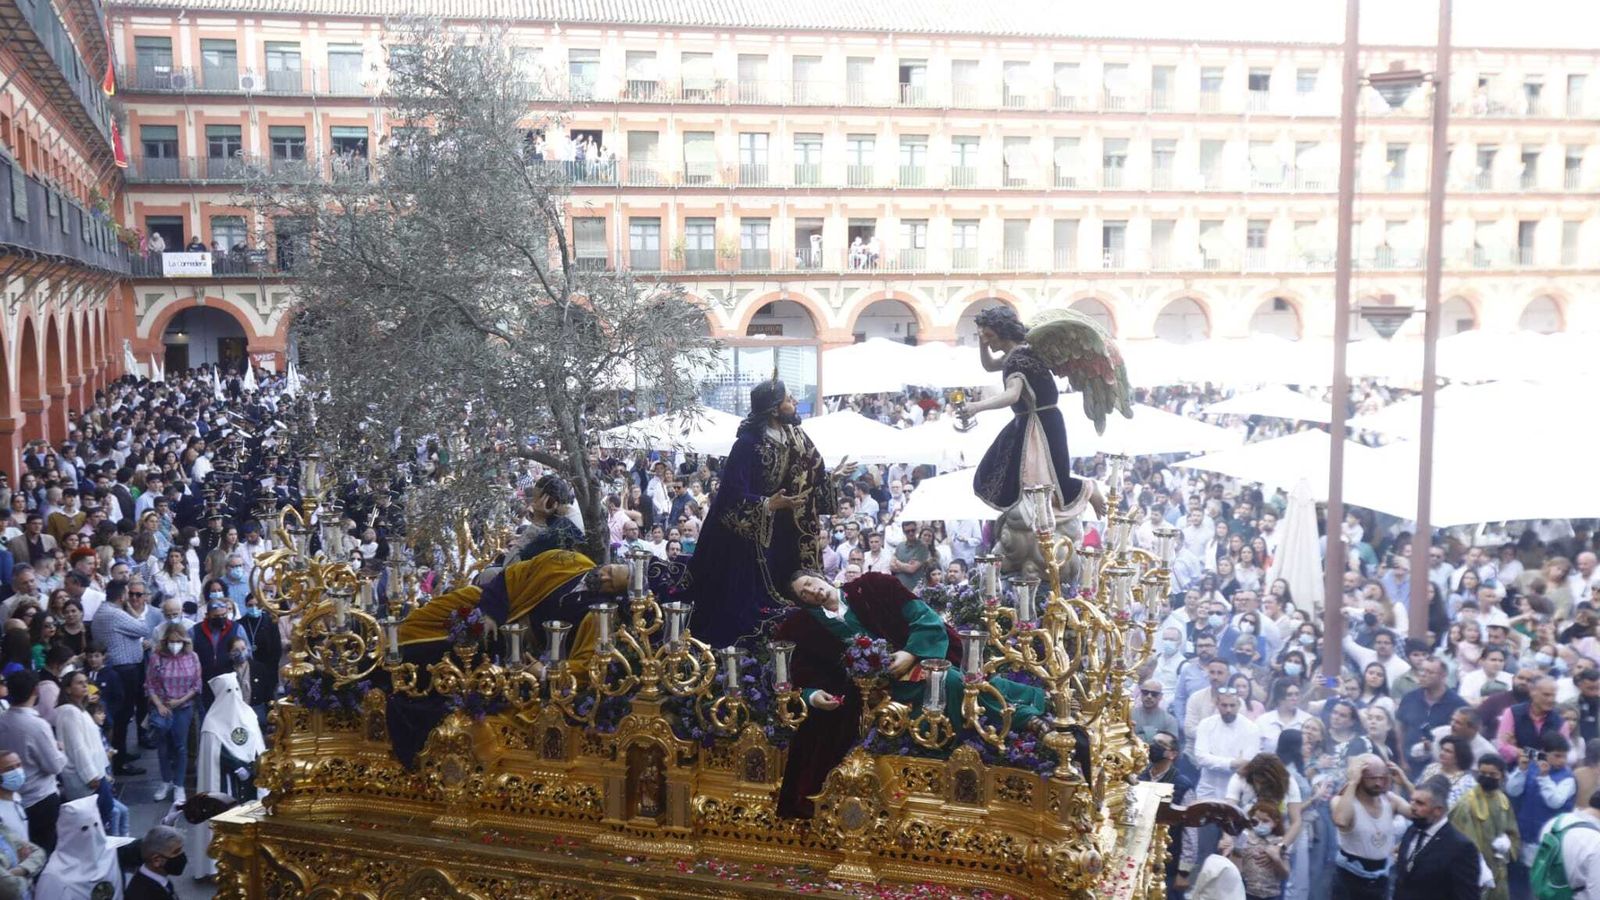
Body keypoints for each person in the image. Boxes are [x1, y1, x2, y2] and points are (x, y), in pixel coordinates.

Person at [772, 571, 1054, 818]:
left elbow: (923, 616)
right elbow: (801, 673)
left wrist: (910, 652)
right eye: (803, 594)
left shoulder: (872, 587)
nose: (811, 591)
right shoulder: (804, 627)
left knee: (953, 682)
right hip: (865, 696)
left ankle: (1020, 719)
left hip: (919, 663)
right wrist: (811, 694)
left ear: (820, 575)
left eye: (809, 583)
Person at [687, 378, 852, 648]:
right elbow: (729, 495)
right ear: (775, 409)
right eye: (789, 398)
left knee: (789, 586)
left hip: (785, 529)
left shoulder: (795, 435)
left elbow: (810, 475)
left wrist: (831, 479)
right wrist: (767, 505)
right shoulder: (748, 443)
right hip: (744, 539)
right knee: (740, 605)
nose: (795, 402)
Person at [958, 306, 1108, 523]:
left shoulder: (1016, 359)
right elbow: (989, 365)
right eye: (984, 337)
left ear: (1003, 331)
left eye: (990, 336)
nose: (988, 341)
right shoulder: (1022, 351)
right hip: (1034, 421)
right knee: (1029, 474)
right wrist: (982, 343)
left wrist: (976, 407)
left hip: (1038, 424)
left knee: (1044, 476)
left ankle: (1088, 488)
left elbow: (1012, 394)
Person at [188, 672, 264, 881]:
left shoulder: (248, 714)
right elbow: (213, 752)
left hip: (249, 780)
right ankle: (221, 863)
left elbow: (257, 744)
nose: (234, 695)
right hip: (226, 781)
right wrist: (234, 764)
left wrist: (252, 766)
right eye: (229, 691)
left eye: (236, 690)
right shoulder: (212, 722)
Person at [1331, 754, 1412, 899]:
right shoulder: (1341, 801)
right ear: (1360, 777)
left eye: (1382, 778)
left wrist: (1405, 782)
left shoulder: (1389, 799)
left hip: (1381, 877)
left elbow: (1419, 814)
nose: (1378, 783)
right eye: (1372, 778)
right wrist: (1353, 782)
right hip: (1349, 876)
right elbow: (1341, 820)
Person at [1391, 775, 1485, 900]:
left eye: (1420, 803)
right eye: (1412, 801)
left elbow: (1466, 896)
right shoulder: (1412, 830)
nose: (1412, 807)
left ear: (1438, 810)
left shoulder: (1461, 847)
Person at [0, 671, 63, 852]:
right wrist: (60, 750)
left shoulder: (3, 719)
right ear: (36, 690)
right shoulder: (36, 725)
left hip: (12, 796)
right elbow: (54, 765)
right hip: (39, 797)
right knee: (42, 851)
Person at [1509, 731, 1577, 897]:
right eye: (1557, 756)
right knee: (1518, 886)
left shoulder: (1567, 778)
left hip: (1548, 841)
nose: (1562, 760)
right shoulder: (1531, 767)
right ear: (1543, 753)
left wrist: (1545, 777)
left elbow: (1555, 801)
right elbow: (1512, 790)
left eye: (1564, 756)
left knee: (1540, 886)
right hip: (1524, 835)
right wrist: (1521, 770)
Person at [1450, 753, 1518, 900]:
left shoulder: (1503, 800)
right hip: (1475, 873)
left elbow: (1513, 832)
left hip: (1499, 872)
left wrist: (1508, 845)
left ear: (1501, 776)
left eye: (1492, 774)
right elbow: (1461, 838)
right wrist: (1478, 864)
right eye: (1483, 773)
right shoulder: (1467, 803)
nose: (1487, 777)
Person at [146, 622, 201, 803]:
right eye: (171, 641)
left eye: (178, 641)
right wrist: (159, 705)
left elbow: (196, 685)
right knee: (162, 747)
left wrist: (181, 700)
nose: (175, 644)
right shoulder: (157, 657)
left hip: (183, 708)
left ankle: (179, 785)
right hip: (162, 707)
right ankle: (166, 780)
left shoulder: (192, 657)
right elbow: (150, 685)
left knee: (181, 747)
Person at [1142, 729, 1197, 896]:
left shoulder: (1182, 785)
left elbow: (1190, 833)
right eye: (1154, 743)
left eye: (1161, 745)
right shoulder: (1139, 778)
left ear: (1172, 754)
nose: (1154, 747)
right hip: (1141, 858)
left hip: (1169, 864)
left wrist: (1184, 872)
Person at [126, 824, 187, 900]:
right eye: (176, 852)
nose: (182, 855)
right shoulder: (142, 895)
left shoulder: (156, 880)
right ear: (156, 860)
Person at [1132, 679, 1181, 745]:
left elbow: (1171, 748)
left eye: (1154, 694)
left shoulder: (1169, 720)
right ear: (1141, 694)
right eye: (1145, 692)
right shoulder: (1129, 715)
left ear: (1160, 697)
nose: (1149, 696)